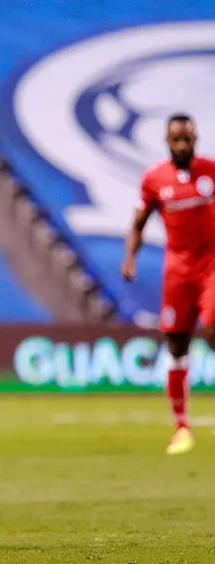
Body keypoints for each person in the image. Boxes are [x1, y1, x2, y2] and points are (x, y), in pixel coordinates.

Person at [122, 113, 215, 456]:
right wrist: (129, 257)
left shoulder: (211, 171)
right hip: (177, 272)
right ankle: (182, 428)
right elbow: (138, 223)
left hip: (211, 268)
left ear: (195, 139)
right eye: (175, 139)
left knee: (214, 326)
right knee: (177, 346)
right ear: (166, 141)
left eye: (186, 139)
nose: (181, 145)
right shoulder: (154, 180)